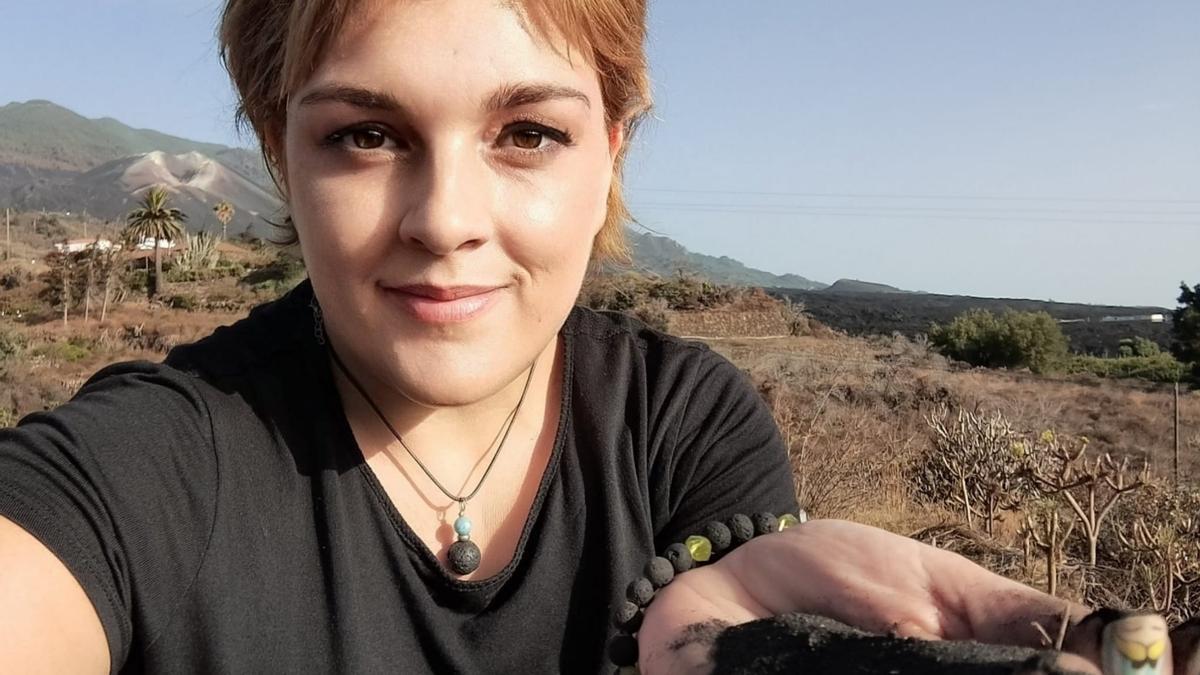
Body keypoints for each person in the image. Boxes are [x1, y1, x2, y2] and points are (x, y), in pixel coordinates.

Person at [0, 1, 1115, 673]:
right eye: (367, 133)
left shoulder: (678, 423)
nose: (445, 219)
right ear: (279, 153)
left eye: (527, 132)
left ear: (611, 158)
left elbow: (726, 609)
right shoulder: (150, 467)